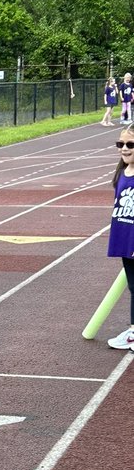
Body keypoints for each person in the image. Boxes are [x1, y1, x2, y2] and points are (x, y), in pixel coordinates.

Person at [106, 127, 134, 350]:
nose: (124, 148)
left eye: (130, 145)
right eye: (121, 144)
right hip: (123, 237)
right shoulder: (122, 173)